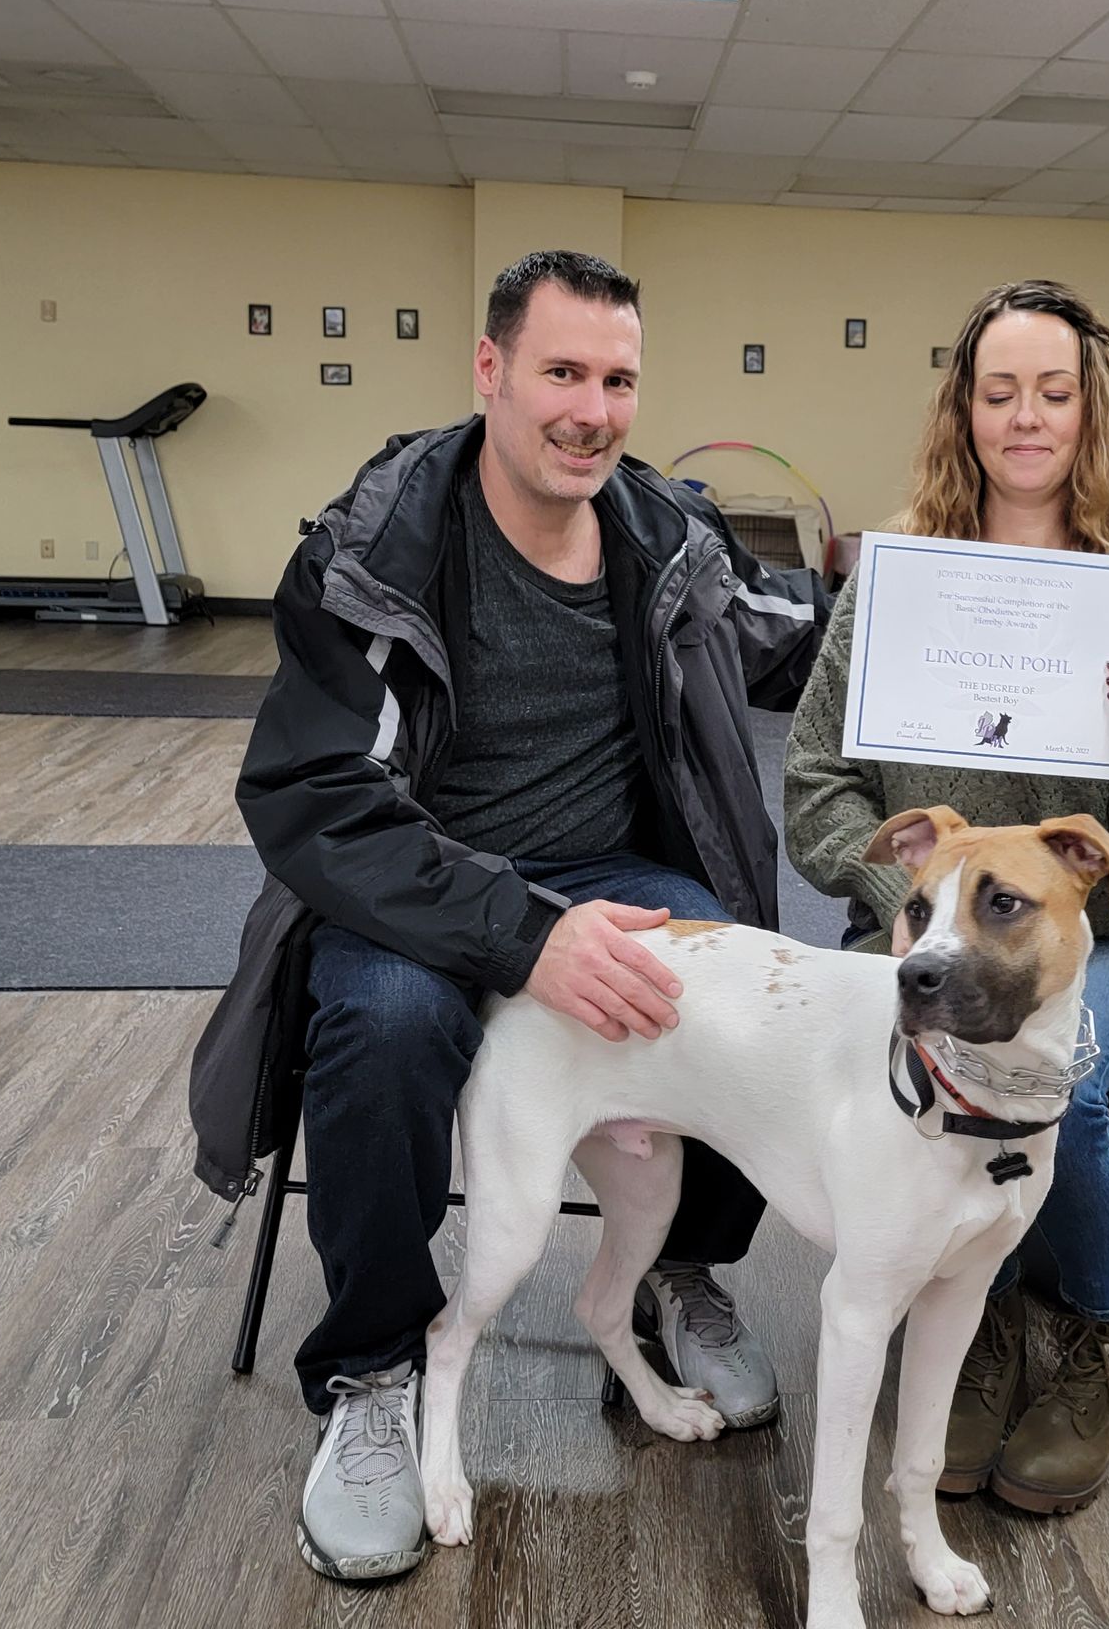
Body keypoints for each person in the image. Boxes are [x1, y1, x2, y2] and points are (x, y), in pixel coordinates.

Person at [205, 249, 829, 1582]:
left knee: (744, 981)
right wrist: (523, 934)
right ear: (490, 371)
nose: (591, 410)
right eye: (562, 372)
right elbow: (311, 795)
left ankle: (680, 1272)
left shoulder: (668, 537)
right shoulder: (373, 552)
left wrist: (994, 618)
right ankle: (373, 1376)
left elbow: (809, 633)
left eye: (617, 379)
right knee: (380, 1025)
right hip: (416, 885)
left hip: (609, 867)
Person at [782, 278, 1109, 1516]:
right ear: (965, 412)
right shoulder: (894, 586)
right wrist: (906, 893)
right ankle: (973, 1317)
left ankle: (1102, 1339)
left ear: (1095, 413)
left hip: (1108, 949)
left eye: (1055, 393)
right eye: (1000, 393)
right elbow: (817, 787)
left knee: (1057, 1066)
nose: (1027, 417)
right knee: (943, 1069)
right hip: (924, 937)